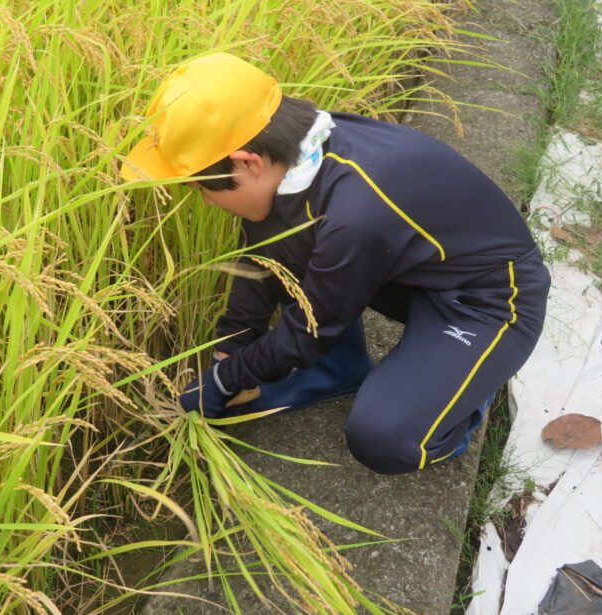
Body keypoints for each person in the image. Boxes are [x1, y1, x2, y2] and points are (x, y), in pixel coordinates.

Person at [121, 52, 550, 474]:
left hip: (490, 302)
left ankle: (460, 399)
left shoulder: (355, 207)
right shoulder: (296, 154)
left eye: (204, 188)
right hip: (413, 272)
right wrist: (228, 352)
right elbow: (264, 263)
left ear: (247, 162)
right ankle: (337, 370)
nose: (207, 200)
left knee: (384, 439)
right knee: (293, 242)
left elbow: (310, 328)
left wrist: (227, 380)